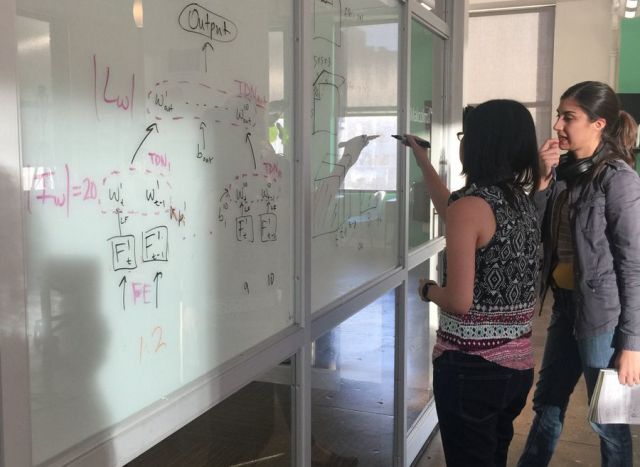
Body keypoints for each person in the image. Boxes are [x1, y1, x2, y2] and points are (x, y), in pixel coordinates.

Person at [406, 99, 541, 467]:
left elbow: (459, 301)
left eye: (466, 134)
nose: (462, 142)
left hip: (472, 370)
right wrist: (422, 161)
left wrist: (427, 290)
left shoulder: (471, 208)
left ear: (482, 143)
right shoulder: (521, 201)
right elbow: (450, 207)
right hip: (515, 366)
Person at [518, 81, 640, 467]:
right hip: (565, 308)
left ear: (599, 123)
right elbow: (532, 232)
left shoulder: (618, 179)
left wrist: (632, 344)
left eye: (568, 117)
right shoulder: (565, 174)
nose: (557, 125)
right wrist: (541, 179)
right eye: (558, 115)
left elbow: (634, 265)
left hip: (605, 318)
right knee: (547, 405)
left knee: (610, 421)